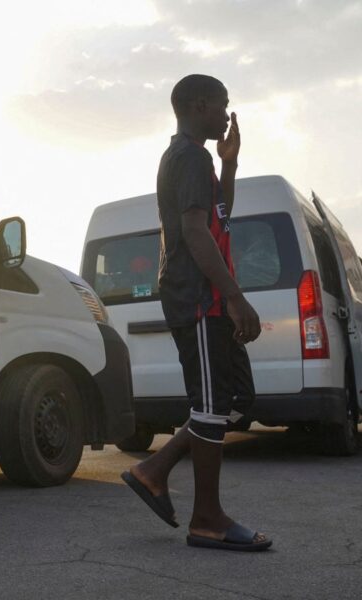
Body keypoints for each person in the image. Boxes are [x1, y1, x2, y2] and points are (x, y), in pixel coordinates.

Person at [121, 74, 272, 552]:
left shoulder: (201, 160)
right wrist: (233, 295)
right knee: (210, 408)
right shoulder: (188, 155)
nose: (227, 114)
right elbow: (193, 230)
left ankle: (153, 471)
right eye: (222, 105)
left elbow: (216, 216)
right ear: (200, 104)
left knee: (235, 398)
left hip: (207, 298)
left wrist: (229, 166)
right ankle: (207, 519)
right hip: (199, 299)